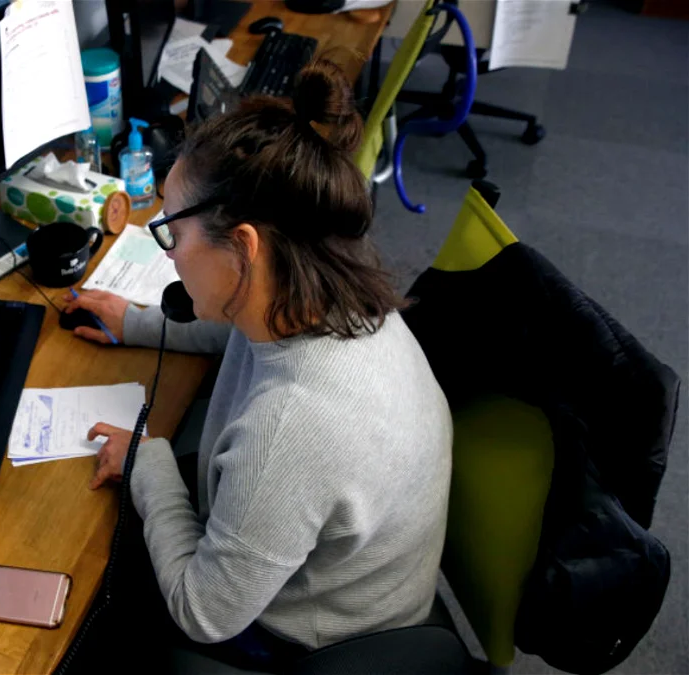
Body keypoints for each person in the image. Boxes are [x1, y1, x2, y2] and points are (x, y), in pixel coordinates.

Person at [63, 61, 453, 670]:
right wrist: (134, 321)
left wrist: (146, 460)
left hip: (310, 636)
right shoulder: (327, 294)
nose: (169, 256)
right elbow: (233, 333)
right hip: (348, 574)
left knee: (86, 592)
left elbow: (204, 612)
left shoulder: (291, 426)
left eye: (172, 235)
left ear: (244, 248)